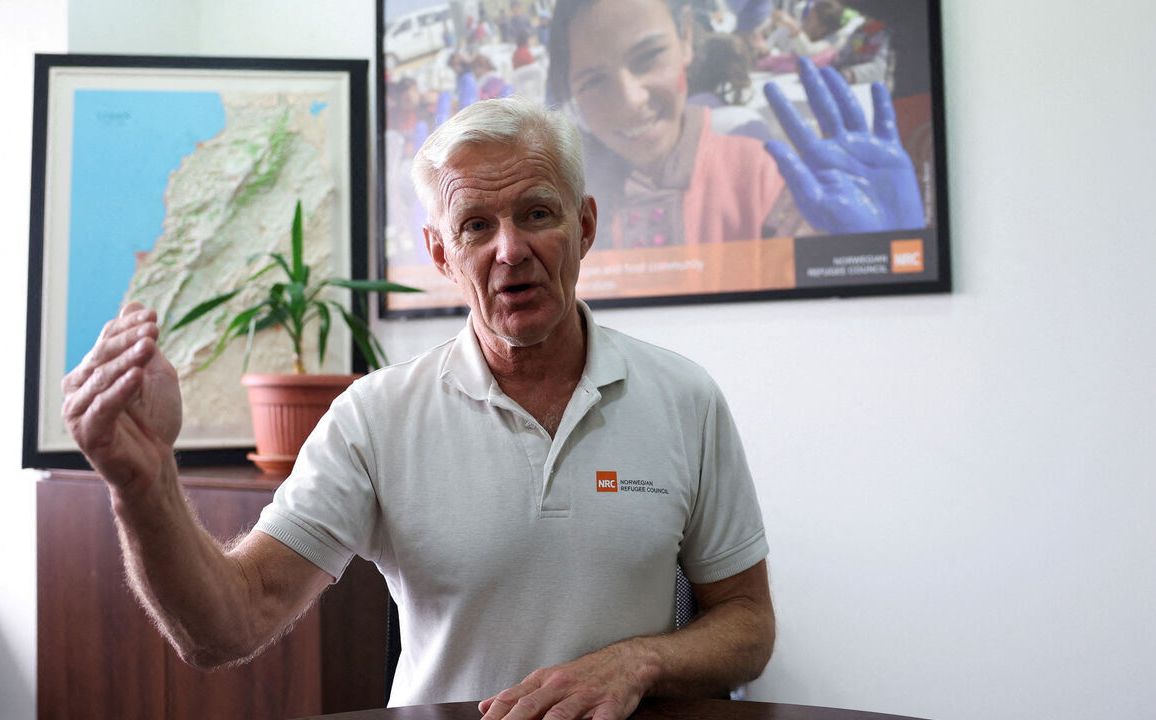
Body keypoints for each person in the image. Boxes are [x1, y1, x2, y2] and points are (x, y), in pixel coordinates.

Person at [61, 97, 775, 718]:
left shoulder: (683, 398)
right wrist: (143, 482)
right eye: (475, 226)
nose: (510, 250)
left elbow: (747, 622)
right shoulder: (375, 417)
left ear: (585, 225)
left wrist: (637, 662)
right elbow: (228, 627)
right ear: (438, 252)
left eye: (536, 214)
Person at [545, 0, 922, 254]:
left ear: (687, 38)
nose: (630, 100)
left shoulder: (759, 174)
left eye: (649, 57)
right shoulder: (558, 204)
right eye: (594, 81)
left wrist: (888, 248)